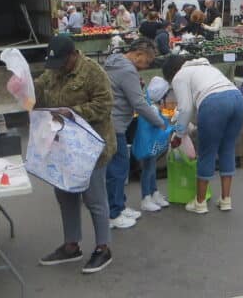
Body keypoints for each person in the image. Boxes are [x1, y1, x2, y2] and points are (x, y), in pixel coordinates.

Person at [34, 35, 116, 274]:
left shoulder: (92, 72)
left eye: (61, 62)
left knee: (94, 199)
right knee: (65, 195)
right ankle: (71, 245)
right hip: (62, 146)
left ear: (73, 55)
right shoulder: (54, 71)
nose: (57, 67)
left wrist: (74, 113)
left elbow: (105, 105)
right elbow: (40, 88)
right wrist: (26, 88)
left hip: (90, 147)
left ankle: (104, 248)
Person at [163, 54, 243, 214]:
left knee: (207, 152)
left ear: (171, 73)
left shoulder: (180, 76)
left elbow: (185, 109)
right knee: (227, 149)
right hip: (237, 99)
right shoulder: (206, 67)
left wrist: (179, 135)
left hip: (214, 104)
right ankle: (225, 200)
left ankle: (200, 203)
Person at [104, 40, 167, 222]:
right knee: (118, 169)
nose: (145, 66)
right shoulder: (128, 70)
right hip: (115, 125)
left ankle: (119, 206)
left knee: (117, 168)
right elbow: (138, 103)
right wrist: (159, 122)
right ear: (138, 54)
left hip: (111, 122)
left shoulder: (113, 62)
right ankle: (114, 215)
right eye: (146, 61)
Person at [137, 77, 173, 211]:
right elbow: (160, 123)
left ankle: (154, 193)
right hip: (149, 144)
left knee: (151, 168)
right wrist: (172, 128)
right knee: (148, 170)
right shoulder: (152, 108)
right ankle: (146, 198)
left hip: (150, 143)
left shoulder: (151, 105)